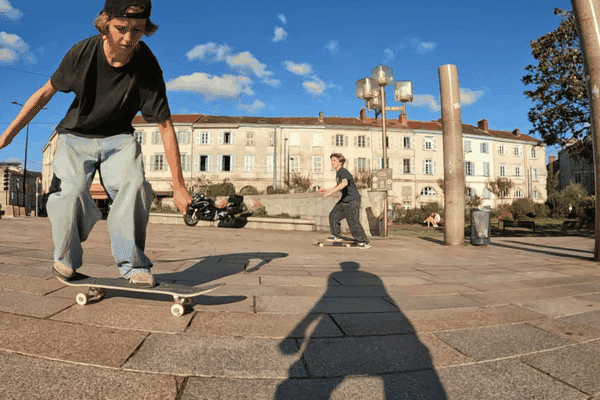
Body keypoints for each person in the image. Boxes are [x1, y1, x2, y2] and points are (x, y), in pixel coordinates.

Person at [0, 0, 192, 287]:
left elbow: (165, 126)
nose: (129, 39)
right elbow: (43, 94)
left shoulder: (147, 66)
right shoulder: (82, 53)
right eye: (121, 29)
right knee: (72, 192)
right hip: (75, 136)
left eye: (137, 30)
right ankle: (66, 257)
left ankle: (133, 264)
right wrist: (8, 135)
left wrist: (178, 186)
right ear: (105, 22)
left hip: (119, 139)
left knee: (136, 187)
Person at [319, 153, 371, 249]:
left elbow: (344, 183)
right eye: (331, 161)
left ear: (341, 162)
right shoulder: (339, 173)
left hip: (352, 199)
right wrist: (327, 190)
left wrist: (330, 192)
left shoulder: (343, 171)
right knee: (333, 214)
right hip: (345, 199)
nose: (332, 163)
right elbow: (338, 186)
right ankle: (336, 235)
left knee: (353, 221)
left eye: (335, 161)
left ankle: (363, 241)